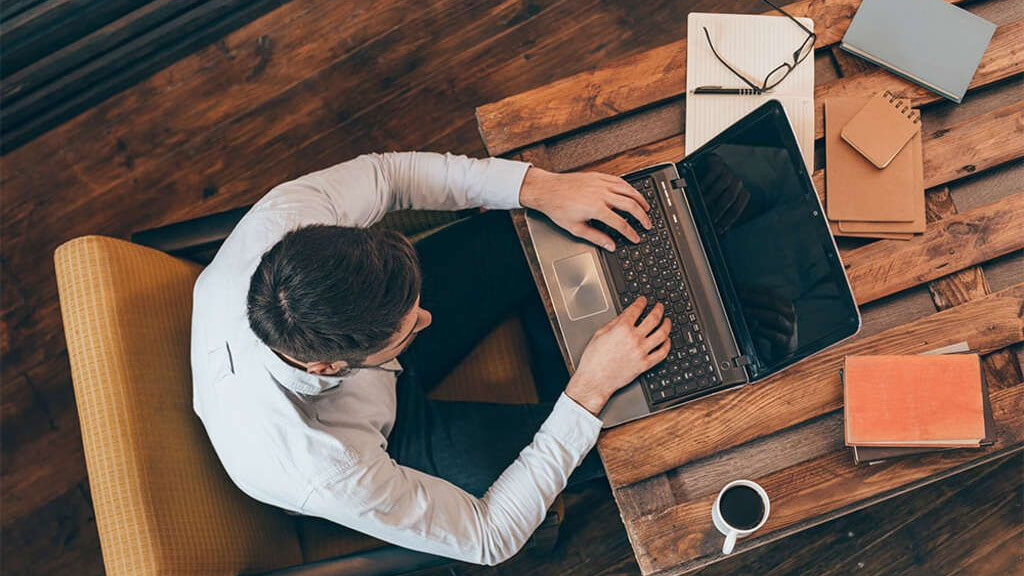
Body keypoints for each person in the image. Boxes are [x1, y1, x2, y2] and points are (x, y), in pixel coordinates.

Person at [191, 152, 671, 565]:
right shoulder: (330, 469)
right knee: (623, 431)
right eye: (409, 328)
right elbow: (489, 536)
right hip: (389, 444)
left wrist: (539, 187)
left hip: (361, 343)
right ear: (328, 367)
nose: (428, 320)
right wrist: (588, 391)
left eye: (415, 307)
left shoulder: (286, 221)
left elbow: (387, 176)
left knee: (527, 225)